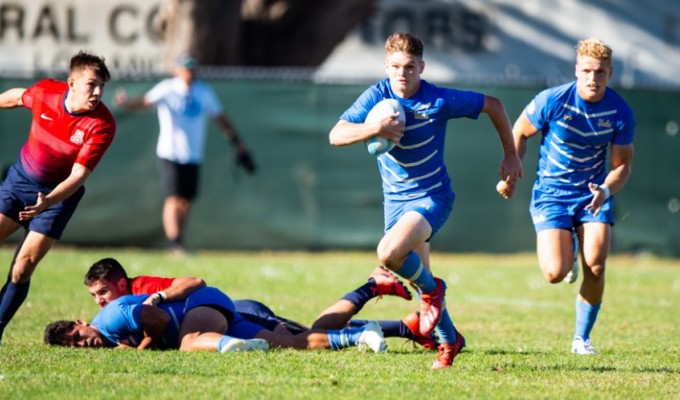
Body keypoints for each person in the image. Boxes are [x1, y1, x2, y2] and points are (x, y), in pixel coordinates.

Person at [328, 32, 523, 369]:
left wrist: (511, 156)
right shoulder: (377, 96)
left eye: (409, 67)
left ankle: (436, 291)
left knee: (389, 254)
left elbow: (494, 104)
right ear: (386, 66)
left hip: (433, 197)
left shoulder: (438, 100)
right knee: (422, 282)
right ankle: (450, 342)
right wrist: (374, 129)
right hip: (395, 203)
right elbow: (336, 134)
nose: (402, 74)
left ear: (422, 66)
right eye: (395, 67)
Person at [497, 38, 635, 355]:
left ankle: (581, 339)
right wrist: (511, 175)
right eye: (586, 70)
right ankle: (569, 245)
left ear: (610, 73)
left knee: (597, 265)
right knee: (554, 273)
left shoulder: (620, 111)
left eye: (600, 72)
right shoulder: (553, 100)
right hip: (552, 194)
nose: (592, 78)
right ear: (576, 70)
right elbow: (518, 132)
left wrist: (605, 189)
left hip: (592, 195)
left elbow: (622, 166)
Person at [0, 51, 116, 345]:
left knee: (23, 266)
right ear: (71, 83)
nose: (98, 92)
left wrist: (46, 203)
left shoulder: (102, 124)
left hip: (60, 195)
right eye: (92, 84)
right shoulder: (47, 93)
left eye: (102, 86)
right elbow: (17, 97)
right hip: (19, 182)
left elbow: (78, 177)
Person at [83, 257, 438, 350]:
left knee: (311, 336)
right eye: (95, 298)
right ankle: (403, 327)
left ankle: (372, 285)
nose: (101, 302)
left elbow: (193, 283)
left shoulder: (139, 293)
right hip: (226, 312)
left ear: (118, 282)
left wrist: (159, 297)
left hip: (235, 311)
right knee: (308, 336)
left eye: (102, 293)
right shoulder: (120, 313)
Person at [114, 53, 255, 254]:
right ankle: (175, 243)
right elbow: (146, 102)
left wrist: (237, 142)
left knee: (185, 201)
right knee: (173, 197)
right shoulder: (168, 88)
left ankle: (180, 240)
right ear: (177, 70)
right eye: (185, 68)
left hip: (193, 154)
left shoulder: (203, 92)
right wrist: (127, 104)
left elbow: (220, 117)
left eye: (192, 68)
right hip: (170, 152)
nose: (189, 73)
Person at [44, 286, 387, 353]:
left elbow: (159, 322)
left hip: (203, 307)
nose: (82, 343)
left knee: (188, 344)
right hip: (210, 317)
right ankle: (361, 337)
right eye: (75, 347)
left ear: (81, 321)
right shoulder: (109, 333)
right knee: (296, 342)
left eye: (77, 335)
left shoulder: (112, 316)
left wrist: (140, 348)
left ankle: (237, 347)